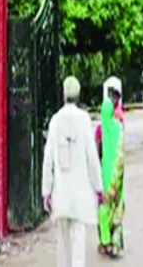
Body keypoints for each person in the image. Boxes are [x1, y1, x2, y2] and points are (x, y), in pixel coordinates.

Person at [42, 77, 104, 267]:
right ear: (78, 95)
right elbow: (92, 157)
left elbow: (48, 159)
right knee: (78, 245)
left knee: (63, 246)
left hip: (61, 193)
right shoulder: (84, 120)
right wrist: (99, 188)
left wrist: (46, 191)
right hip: (80, 195)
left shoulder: (55, 121)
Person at [98, 77, 125, 257]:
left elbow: (98, 148)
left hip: (107, 175)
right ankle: (116, 243)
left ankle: (106, 241)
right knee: (117, 208)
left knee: (104, 210)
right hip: (119, 174)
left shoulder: (102, 129)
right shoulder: (119, 127)